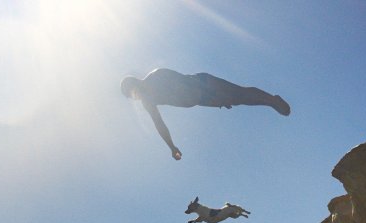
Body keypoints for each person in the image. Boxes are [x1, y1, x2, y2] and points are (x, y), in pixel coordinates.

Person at [121, 68, 291, 160]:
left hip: (204, 84)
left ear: (135, 84)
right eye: (133, 98)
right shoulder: (148, 101)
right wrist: (171, 147)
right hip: (203, 99)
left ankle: (272, 100)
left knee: (239, 93)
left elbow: (184, 81)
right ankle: (271, 102)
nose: (136, 98)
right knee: (238, 100)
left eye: (133, 94)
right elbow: (159, 124)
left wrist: (213, 94)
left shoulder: (157, 75)